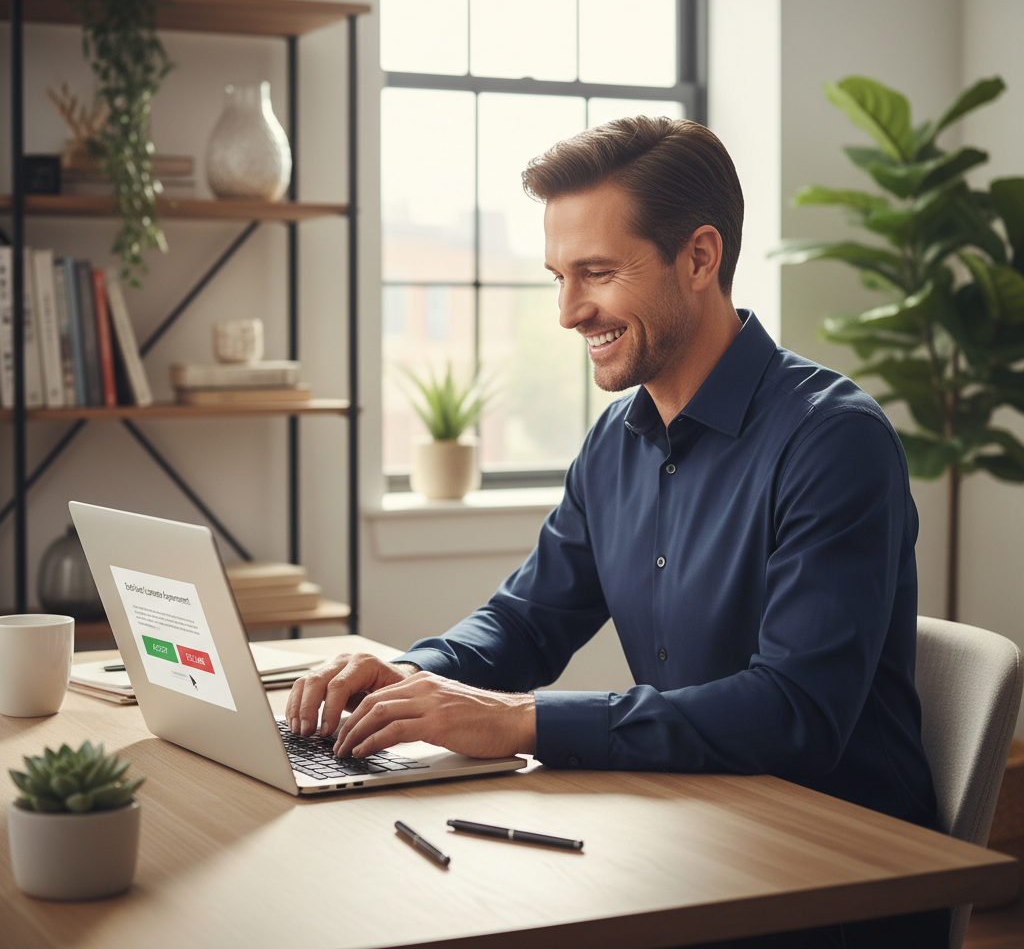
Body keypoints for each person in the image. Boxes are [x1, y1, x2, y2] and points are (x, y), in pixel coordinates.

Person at [286, 117, 947, 947]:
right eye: (560, 276)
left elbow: (794, 714)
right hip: (694, 844)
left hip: (834, 887)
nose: (568, 311)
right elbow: (527, 621)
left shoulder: (832, 439)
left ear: (700, 258)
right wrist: (405, 673)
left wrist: (520, 721)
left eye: (596, 273)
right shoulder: (615, 440)